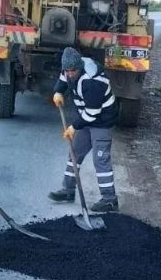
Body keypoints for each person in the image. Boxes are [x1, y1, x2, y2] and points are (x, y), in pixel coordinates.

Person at [49, 47, 120, 212]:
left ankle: (110, 200)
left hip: (102, 121)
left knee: (100, 160)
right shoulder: (69, 66)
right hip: (87, 119)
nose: (70, 74)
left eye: (73, 71)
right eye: (67, 70)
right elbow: (63, 78)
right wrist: (58, 91)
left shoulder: (92, 81)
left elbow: (93, 113)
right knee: (74, 152)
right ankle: (68, 190)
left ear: (79, 67)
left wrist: (73, 127)